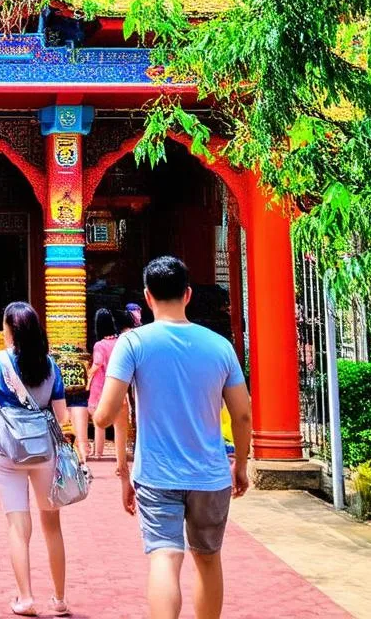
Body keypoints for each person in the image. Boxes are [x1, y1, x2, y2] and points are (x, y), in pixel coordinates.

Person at [93, 256, 252, 619]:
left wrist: (121, 466)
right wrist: (241, 465)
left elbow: (103, 414)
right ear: (189, 294)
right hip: (210, 474)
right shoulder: (220, 346)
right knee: (208, 559)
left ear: (147, 297)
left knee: (165, 557)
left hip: (156, 473)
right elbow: (242, 414)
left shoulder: (132, 344)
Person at [0, 302, 71, 617]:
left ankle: (25, 597)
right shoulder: (50, 366)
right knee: (52, 525)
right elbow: (61, 414)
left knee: (18, 525)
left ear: (8, 329)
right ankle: (58, 600)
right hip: (44, 450)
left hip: (6, 450)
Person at [86, 307, 123, 460]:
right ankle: (119, 453)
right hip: (117, 383)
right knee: (118, 422)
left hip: (100, 384)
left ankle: (98, 453)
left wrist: (88, 374)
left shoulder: (99, 345)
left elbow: (98, 363)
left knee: (98, 420)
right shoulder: (120, 341)